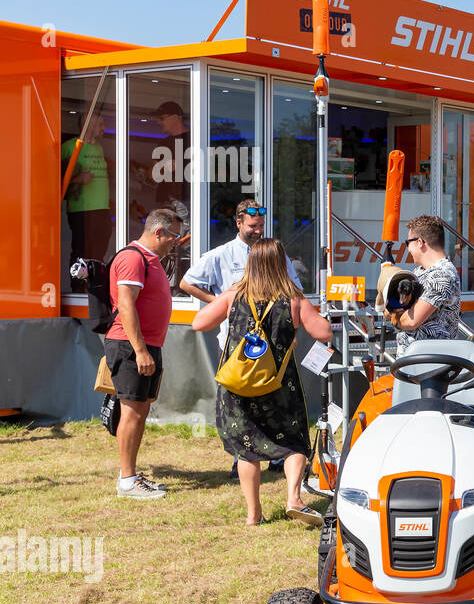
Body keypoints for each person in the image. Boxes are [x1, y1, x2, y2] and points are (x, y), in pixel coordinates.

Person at [193, 238, 333, 527]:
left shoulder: (235, 293)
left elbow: (199, 323)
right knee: (293, 440)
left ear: (251, 263)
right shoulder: (293, 297)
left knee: (247, 447)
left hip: (239, 383)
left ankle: (253, 514)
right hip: (279, 382)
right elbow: (323, 333)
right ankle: (293, 498)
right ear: (281, 262)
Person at [181, 199, 302, 478]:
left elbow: (295, 291)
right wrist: (221, 305)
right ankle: (243, 458)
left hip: (274, 342)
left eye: (261, 226)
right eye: (252, 226)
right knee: (243, 402)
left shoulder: (274, 254)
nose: (258, 231)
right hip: (237, 344)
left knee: (274, 399)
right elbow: (187, 282)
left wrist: (292, 327)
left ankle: (276, 454)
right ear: (238, 223)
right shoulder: (221, 255)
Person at [105, 208, 181, 500]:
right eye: (172, 236)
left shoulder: (151, 260)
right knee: (132, 411)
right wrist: (139, 351)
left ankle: (131, 475)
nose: (175, 242)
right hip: (131, 345)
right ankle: (127, 480)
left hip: (146, 345)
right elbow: (126, 305)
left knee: (139, 409)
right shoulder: (132, 258)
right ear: (158, 232)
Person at [384, 215, 461, 355]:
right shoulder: (418, 272)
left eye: (408, 243)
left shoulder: (442, 274)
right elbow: (389, 309)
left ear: (420, 242)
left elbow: (411, 321)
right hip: (415, 361)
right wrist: (392, 311)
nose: (407, 249)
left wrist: (394, 316)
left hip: (432, 364)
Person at [62, 114, 114, 263]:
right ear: (88, 125)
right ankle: (78, 285)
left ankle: (93, 284)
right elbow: (52, 176)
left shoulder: (98, 148)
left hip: (102, 209)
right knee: (81, 250)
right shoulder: (70, 147)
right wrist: (77, 179)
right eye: (100, 124)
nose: (104, 128)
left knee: (99, 250)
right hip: (81, 209)